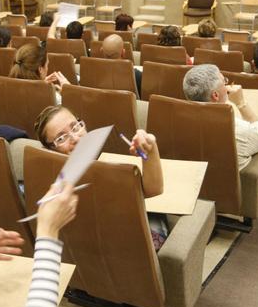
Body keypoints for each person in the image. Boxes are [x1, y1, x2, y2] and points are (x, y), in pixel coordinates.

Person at [35, 105, 169, 249]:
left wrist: (150, 149)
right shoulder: (60, 194)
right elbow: (153, 190)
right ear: (49, 150)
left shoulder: (94, 169)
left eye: (75, 127)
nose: (75, 138)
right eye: (61, 138)